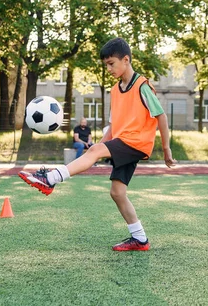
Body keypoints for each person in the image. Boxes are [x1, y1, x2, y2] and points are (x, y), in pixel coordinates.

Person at [19, 37, 175, 251]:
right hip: (123, 141)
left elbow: (161, 116)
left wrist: (166, 149)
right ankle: (140, 239)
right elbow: (113, 125)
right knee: (117, 193)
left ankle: (51, 178)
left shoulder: (142, 86)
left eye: (112, 63)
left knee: (100, 161)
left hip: (136, 142)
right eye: (106, 65)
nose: (108, 68)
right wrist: (99, 148)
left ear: (126, 60)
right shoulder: (115, 90)